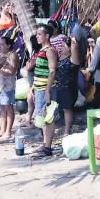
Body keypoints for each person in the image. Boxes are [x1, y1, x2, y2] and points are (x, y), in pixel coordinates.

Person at [31, 24, 58, 156]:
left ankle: (47, 147)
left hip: (46, 89)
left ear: (47, 36)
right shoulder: (43, 50)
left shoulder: (50, 50)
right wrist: (33, 86)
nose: (37, 37)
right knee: (43, 118)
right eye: (37, 34)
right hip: (39, 88)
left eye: (39, 34)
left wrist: (47, 91)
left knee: (49, 118)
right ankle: (45, 145)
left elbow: (52, 71)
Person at [0, 36, 19, 139]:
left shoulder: (12, 55)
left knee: (8, 107)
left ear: (8, 45)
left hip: (8, 84)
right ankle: (2, 129)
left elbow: (11, 71)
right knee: (2, 108)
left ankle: (8, 131)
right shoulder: (0, 55)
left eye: (2, 44)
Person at [56, 36, 81, 136]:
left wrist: (73, 40)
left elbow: (75, 46)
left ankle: (67, 130)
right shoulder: (61, 58)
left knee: (67, 109)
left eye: (63, 46)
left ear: (70, 48)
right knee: (62, 109)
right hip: (59, 87)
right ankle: (64, 128)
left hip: (68, 88)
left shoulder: (73, 59)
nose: (61, 48)